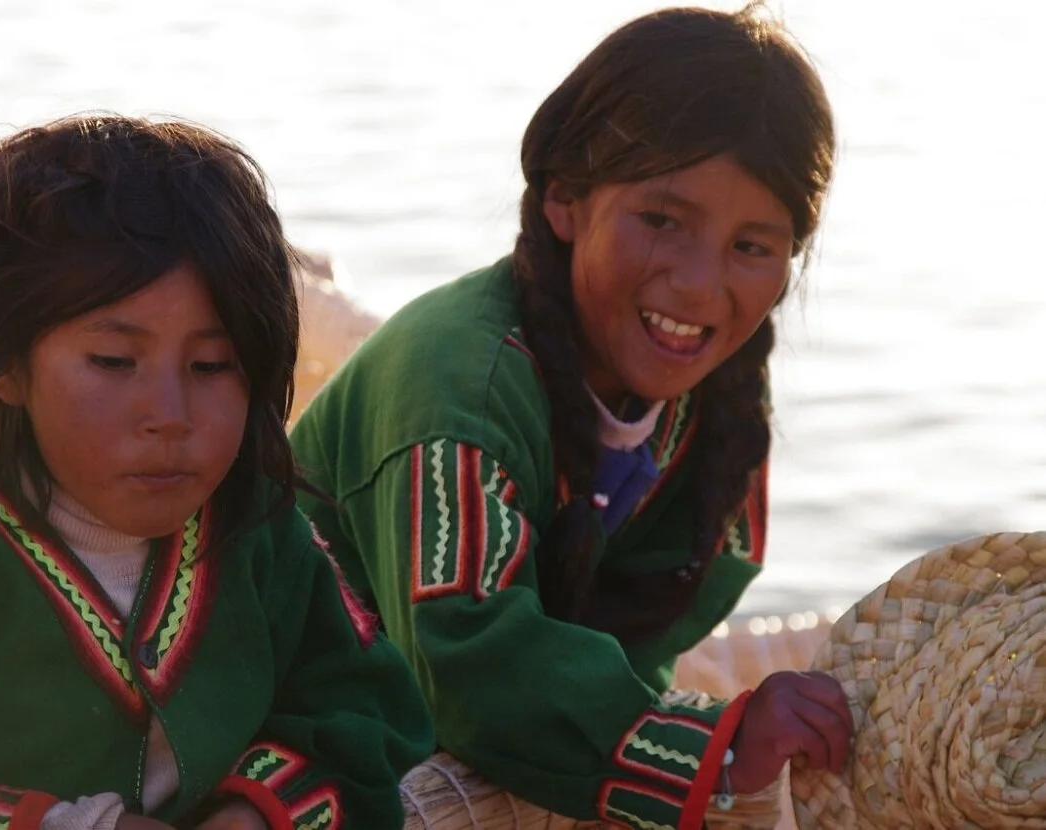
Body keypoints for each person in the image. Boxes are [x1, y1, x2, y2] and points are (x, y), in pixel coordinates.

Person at [288, 6, 854, 829]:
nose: (700, 285)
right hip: (305, 727)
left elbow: (670, 602)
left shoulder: (713, 393)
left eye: (752, 247)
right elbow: (468, 660)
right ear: (563, 199)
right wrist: (716, 749)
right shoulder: (458, 388)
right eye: (662, 220)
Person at [0, 115, 433, 830]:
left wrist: (251, 812)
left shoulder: (263, 534)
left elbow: (366, 712)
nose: (169, 413)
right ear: (1, 362)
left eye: (212, 365)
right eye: (112, 361)